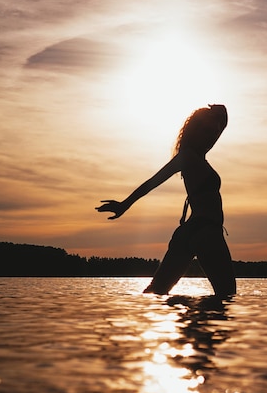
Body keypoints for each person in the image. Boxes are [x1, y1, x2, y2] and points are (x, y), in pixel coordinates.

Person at [96, 104, 236, 297]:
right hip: (206, 231)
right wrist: (124, 205)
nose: (213, 135)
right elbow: (153, 182)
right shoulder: (187, 156)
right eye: (206, 130)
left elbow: (223, 121)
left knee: (156, 291)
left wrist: (219, 112)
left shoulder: (196, 158)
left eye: (214, 131)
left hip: (189, 234)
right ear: (196, 132)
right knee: (226, 295)